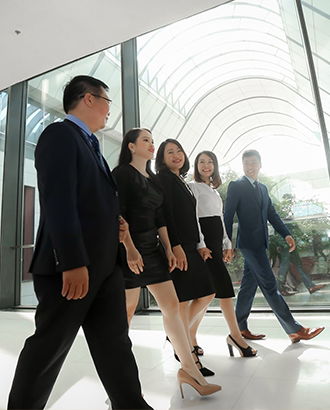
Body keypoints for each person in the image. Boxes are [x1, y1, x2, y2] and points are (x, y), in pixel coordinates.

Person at [7, 76, 152, 410]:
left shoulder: (92, 145)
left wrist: (113, 225)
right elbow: (58, 201)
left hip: (104, 265)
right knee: (49, 348)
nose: (108, 112)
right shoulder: (60, 135)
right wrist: (71, 262)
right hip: (73, 268)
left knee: (115, 345)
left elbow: (89, 200)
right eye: (107, 102)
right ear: (89, 99)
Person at [112, 128, 221, 398]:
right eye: (145, 141)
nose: (151, 144)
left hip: (153, 251)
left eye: (152, 140)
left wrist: (171, 248)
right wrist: (130, 249)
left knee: (172, 307)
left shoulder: (152, 178)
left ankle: (190, 371)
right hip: (130, 251)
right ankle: (117, 381)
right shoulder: (123, 174)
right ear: (131, 146)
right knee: (125, 313)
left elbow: (162, 217)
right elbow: (118, 214)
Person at [223, 149, 325, 343]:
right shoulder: (236, 186)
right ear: (243, 166)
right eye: (246, 163)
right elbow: (227, 215)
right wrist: (226, 242)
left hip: (261, 244)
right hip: (248, 244)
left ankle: (239, 328)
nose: (250, 166)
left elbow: (271, 214)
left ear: (260, 164)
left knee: (248, 286)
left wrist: (286, 233)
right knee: (270, 285)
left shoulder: (262, 189)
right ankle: (294, 329)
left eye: (253, 163)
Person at [155, 139, 216, 372]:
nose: (176, 155)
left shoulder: (180, 180)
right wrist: (175, 246)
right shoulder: (164, 178)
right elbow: (166, 214)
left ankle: (179, 335)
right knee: (181, 301)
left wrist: (198, 244)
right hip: (178, 247)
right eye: (169, 152)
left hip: (190, 245)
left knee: (207, 292)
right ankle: (188, 355)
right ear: (162, 159)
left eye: (179, 150)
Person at [189, 151, 257, 358]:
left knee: (207, 295)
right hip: (205, 245)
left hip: (215, 244)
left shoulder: (214, 191)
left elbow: (219, 219)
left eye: (210, 162)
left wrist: (227, 243)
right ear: (196, 166)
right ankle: (235, 336)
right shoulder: (192, 187)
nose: (206, 165)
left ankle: (189, 337)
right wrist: (201, 244)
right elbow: (194, 219)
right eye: (202, 162)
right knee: (224, 289)